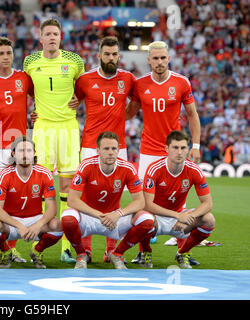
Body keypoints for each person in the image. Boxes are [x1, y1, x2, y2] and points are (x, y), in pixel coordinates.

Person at [126, 40, 202, 265]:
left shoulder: (181, 82)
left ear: (169, 59)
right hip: (148, 152)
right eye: (155, 58)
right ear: (148, 60)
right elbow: (129, 113)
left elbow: (192, 114)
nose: (159, 62)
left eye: (163, 58)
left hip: (174, 151)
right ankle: (144, 251)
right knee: (143, 203)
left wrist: (195, 146)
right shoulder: (139, 84)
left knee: (178, 201)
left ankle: (183, 250)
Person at [23, 18, 85, 263]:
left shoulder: (74, 61)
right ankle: (37, 239)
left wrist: (78, 100)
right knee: (41, 186)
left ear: (61, 38)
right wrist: (35, 107)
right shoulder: (30, 62)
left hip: (68, 128)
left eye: (55, 34)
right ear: (40, 38)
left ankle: (66, 248)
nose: (51, 37)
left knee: (68, 189)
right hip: (43, 128)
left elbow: (83, 88)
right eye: (47, 34)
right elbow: (29, 89)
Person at [74, 36, 137, 263]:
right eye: (107, 54)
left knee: (116, 196)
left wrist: (124, 116)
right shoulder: (84, 80)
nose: (111, 58)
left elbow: (136, 102)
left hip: (118, 146)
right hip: (90, 145)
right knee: (87, 196)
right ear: (99, 55)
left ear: (119, 56)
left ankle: (110, 250)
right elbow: (73, 103)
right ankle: (87, 249)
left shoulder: (128, 79)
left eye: (115, 54)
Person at [61, 131, 154, 269]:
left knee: (147, 220)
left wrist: (118, 214)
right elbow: (72, 200)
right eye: (106, 148)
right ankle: (81, 254)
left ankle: (117, 253)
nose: (110, 152)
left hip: (115, 218)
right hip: (89, 216)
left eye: (114, 149)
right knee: (67, 217)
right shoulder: (87, 165)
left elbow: (140, 202)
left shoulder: (127, 168)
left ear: (118, 150)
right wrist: (99, 215)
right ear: (98, 150)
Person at [0, 37, 34, 264]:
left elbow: (39, 99)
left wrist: (34, 115)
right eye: (1, 53)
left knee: (13, 199)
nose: (5, 57)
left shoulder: (24, 78)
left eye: (8, 53)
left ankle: (10, 248)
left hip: (20, 146)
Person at [0, 135, 63, 268]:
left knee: (57, 225)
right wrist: (19, 225)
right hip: (11, 222)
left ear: (34, 153)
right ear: (14, 154)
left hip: (35, 220)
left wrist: (38, 225)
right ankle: (5, 251)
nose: (25, 154)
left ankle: (37, 252)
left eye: (29, 151)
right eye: (21, 151)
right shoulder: (5, 174)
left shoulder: (44, 173)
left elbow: (52, 208)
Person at [142, 130, 215, 268]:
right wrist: (178, 215)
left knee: (209, 219)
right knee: (143, 219)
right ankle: (146, 252)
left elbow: (208, 203)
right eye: (175, 147)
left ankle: (183, 252)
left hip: (179, 216)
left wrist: (189, 216)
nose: (179, 152)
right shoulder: (154, 169)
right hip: (156, 216)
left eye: (183, 148)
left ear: (188, 149)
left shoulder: (194, 170)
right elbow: (147, 204)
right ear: (167, 149)